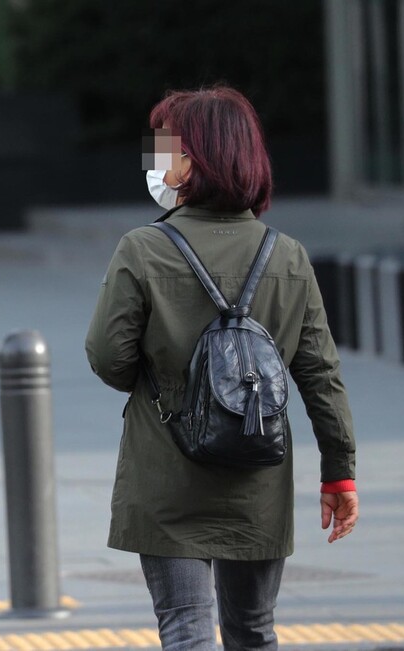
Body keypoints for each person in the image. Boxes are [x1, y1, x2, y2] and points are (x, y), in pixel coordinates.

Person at [85, 86, 359, 651]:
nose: (155, 161)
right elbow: (320, 375)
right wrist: (339, 471)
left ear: (193, 161)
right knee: (254, 632)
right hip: (255, 479)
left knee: (186, 632)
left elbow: (109, 359)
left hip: (166, 478)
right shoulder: (286, 255)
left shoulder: (144, 249)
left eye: (164, 148)